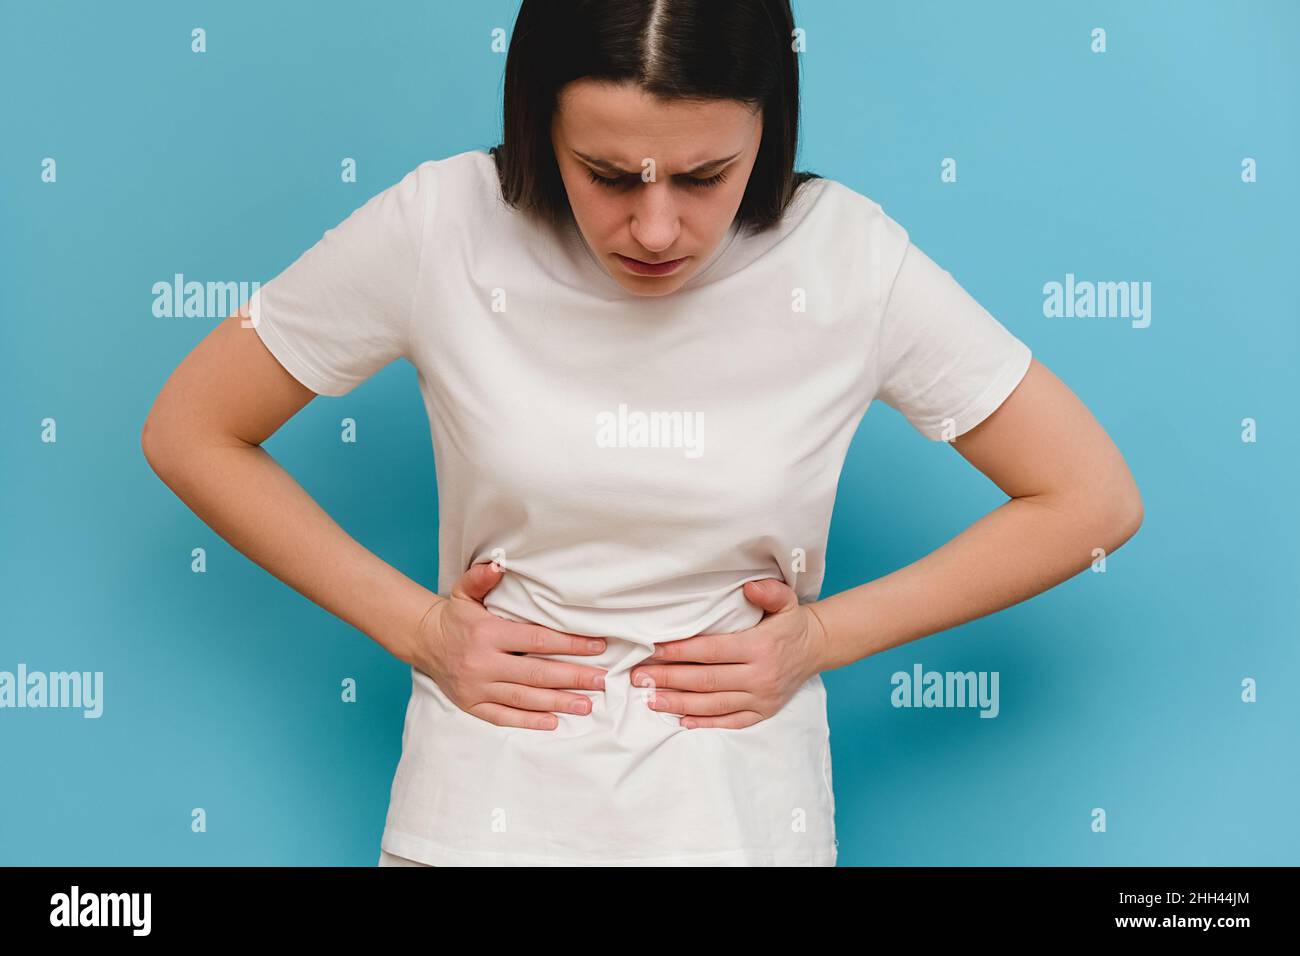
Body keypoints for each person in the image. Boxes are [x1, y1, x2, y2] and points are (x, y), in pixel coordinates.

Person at [141, 0, 1143, 867]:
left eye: (705, 176)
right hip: (476, 826)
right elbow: (192, 427)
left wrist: (827, 638)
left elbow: (1091, 499)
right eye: (609, 175)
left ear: (767, 128)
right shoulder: (443, 225)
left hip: (744, 828)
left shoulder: (846, 260)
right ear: (541, 127)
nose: (656, 229)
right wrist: (414, 627)